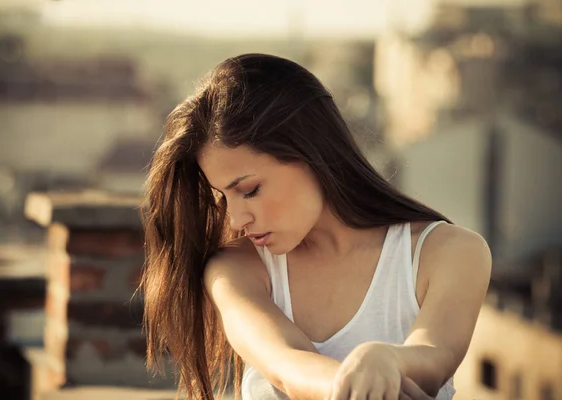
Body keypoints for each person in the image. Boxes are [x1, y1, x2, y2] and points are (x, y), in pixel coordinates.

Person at [140, 53, 492, 400]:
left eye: (250, 190)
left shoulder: (449, 253)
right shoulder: (237, 268)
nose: (236, 220)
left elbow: (435, 357)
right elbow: (286, 366)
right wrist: (358, 384)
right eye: (224, 198)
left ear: (311, 154)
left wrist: (388, 360)